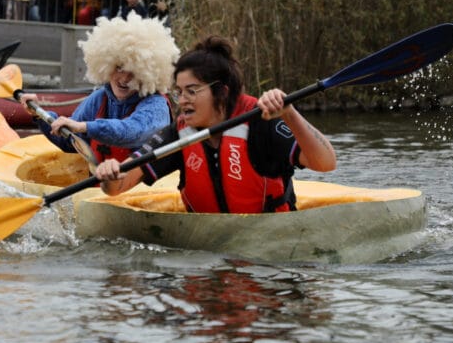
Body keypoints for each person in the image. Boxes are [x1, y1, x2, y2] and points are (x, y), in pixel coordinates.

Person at [95, 36, 337, 213]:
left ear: (221, 92)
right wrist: (110, 174)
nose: (183, 101)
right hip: (208, 256)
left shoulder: (261, 121)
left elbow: (326, 163)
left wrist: (289, 114)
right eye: (179, 92)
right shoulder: (179, 133)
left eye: (192, 91)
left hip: (269, 262)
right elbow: (117, 187)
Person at [20, 14, 179, 162]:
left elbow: (131, 131)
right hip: (100, 189)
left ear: (147, 74)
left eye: (134, 73)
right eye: (119, 67)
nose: (124, 79)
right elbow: (69, 141)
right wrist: (39, 114)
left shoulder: (156, 106)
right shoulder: (99, 98)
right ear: (106, 65)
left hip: (146, 191)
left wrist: (85, 127)